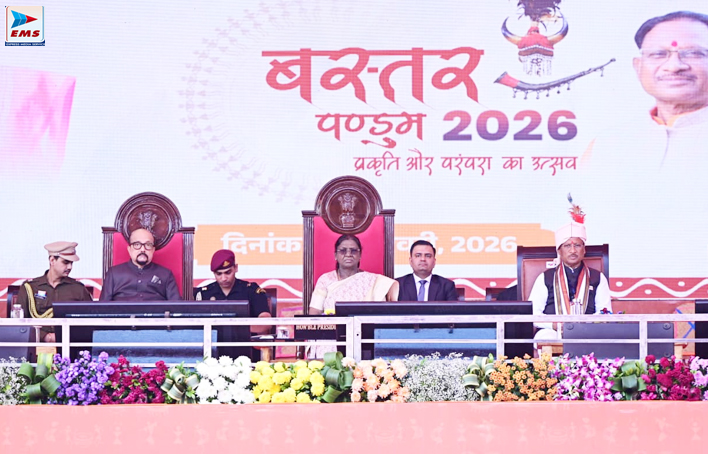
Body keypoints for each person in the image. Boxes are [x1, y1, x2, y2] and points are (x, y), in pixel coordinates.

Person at [528, 202, 611, 340]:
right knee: (545, 338)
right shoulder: (545, 277)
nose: (573, 250)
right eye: (567, 246)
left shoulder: (597, 277)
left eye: (577, 245)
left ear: (584, 250)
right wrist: (555, 325)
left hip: (588, 330)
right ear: (559, 251)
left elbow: (606, 313)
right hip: (553, 331)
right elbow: (532, 314)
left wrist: (585, 324)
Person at [17, 241, 93, 342]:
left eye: (71, 263)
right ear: (52, 260)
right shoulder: (30, 287)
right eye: (65, 262)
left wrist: (63, 336)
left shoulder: (78, 289)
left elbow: (89, 322)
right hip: (36, 344)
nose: (70, 267)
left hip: (69, 344)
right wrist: (45, 337)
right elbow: (18, 323)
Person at [308, 234, 399, 315]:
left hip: (364, 327)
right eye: (343, 251)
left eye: (353, 251)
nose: (348, 254)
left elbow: (391, 298)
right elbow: (314, 313)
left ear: (360, 255)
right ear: (335, 255)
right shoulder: (325, 279)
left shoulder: (372, 280)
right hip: (333, 327)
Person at [195, 249, 272, 335]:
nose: (224, 278)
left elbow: (266, 322)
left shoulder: (251, 290)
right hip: (212, 342)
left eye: (228, 272)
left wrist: (237, 328)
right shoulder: (203, 294)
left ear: (236, 268)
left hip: (243, 342)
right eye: (219, 274)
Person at [100, 228, 180, 301]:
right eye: (137, 244)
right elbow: (102, 307)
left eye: (148, 245)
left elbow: (176, 307)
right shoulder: (113, 273)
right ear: (129, 249)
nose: (142, 249)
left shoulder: (166, 274)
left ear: (153, 250)